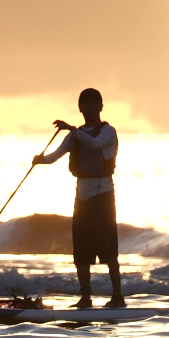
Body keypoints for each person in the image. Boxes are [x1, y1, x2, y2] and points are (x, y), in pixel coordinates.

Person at [32, 88, 124, 309]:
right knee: (81, 251)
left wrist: (72, 129)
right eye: (86, 104)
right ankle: (85, 298)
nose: (90, 108)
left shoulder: (108, 131)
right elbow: (55, 156)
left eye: (94, 104)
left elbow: (94, 145)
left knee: (108, 250)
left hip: (103, 197)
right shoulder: (73, 135)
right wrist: (40, 160)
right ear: (80, 108)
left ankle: (118, 298)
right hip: (81, 198)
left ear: (101, 107)